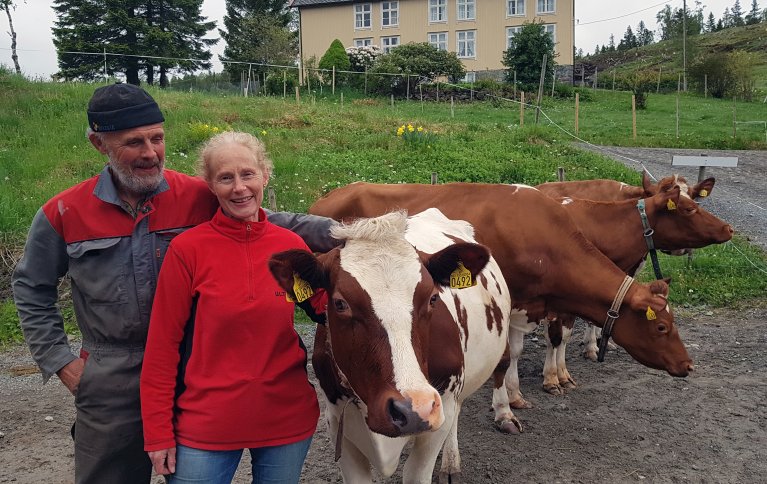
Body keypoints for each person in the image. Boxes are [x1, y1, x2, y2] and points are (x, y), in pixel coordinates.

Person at [11, 83, 338, 484]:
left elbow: (270, 222)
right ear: (99, 143)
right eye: (134, 142)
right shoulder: (64, 212)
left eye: (157, 138)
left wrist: (359, 230)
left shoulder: (197, 195)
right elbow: (31, 287)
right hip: (110, 375)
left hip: (190, 370)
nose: (150, 152)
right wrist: (61, 362)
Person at [140, 131, 325, 483]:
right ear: (210, 185)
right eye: (226, 178)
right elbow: (162, 347)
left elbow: (325, 306)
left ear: (265, 176)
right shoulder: (188, 249)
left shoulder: (290, 245)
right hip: (206, 424)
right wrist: (158, 431)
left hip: (286, 420)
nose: (239, 188)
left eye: (248, 174)